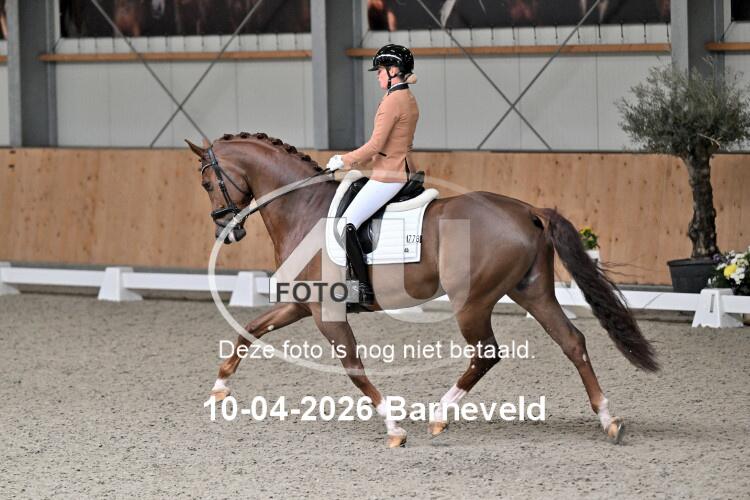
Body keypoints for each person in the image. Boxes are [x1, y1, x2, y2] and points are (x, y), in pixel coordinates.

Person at [326, 44, 419, 305]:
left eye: (380, 70)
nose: (377, 75)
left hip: (389, 175)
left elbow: (376, 145)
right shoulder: (406, 97)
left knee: (346, 225)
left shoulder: (393, 101)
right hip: (401, 167)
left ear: (393, 71)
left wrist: (343, 160)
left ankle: (362, 289)